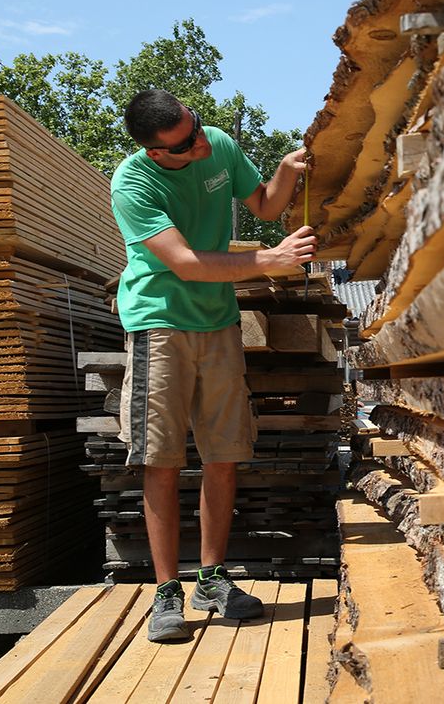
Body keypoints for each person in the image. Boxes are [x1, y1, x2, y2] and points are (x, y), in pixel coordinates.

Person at [110, 88, 316, 642]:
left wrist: (284, 170)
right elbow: (183, 262)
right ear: (159, 153)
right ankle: (166, 592)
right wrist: (268, 260)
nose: (200, 142)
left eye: (197, 127)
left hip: (218, 323)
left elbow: (267, 206)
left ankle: (212, 578)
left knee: (224, 453)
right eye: (185, 143)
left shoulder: (218, 144)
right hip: (161, 324)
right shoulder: (133, 184)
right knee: (162, 460)